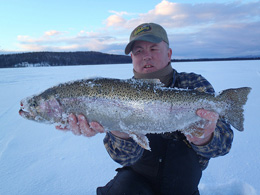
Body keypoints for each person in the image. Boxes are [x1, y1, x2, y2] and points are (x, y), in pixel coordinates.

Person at [56, 23, 234, 194]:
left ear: (169, 53)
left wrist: (205, 137)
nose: (146, 56)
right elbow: (124, 158)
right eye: (138, 51)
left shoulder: (194, 85)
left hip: (183, 186)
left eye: (153, 49)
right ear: (132, 58)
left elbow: (223, 145)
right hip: (134, 183)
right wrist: (121, 131)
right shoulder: (116, 95)